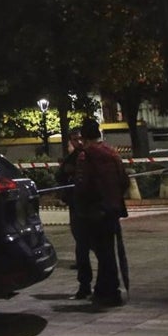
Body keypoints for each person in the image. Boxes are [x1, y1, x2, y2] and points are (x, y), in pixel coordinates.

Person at [72, 119, 130, 307]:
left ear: (84, 137)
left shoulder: (85, 156)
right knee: (109, 251)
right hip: (112, 208)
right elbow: (124, 180)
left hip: (94, 211)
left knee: (101, 252)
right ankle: (108, 289)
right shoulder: (112, 152)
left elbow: (83, 185)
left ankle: (108, 291)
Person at [57, 129, 93, 299]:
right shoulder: (71, 158)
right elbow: (59, 176)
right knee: (82, 245)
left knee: (94, 247)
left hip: (90, 206)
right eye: (74, 139)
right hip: (77, 205)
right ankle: (85, 286)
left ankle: (97, 286)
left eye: (80, 138)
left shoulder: (89, 155)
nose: (77, 142)